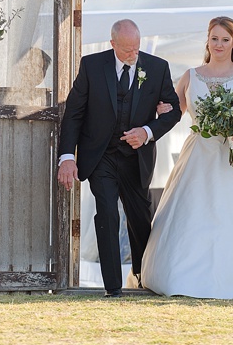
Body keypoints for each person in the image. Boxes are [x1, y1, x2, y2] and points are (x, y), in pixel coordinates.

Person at [141, 16, 233, 299]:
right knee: (192, 212)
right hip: (198, 157)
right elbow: (174, 113)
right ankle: (182, 277)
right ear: (207, 40)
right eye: (214, 38)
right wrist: (156, 109)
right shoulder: (191, 76)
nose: (219, 44)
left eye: (225, 40)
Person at [57, 19, 181, 297]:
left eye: (136, 48)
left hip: (137, 158)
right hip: (101, 156)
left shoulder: (157, 67)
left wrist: (148, 131)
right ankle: (112, 286)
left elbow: (174, 112)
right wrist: (67, 156)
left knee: (139, 218)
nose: (133, 54)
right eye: (126, 50)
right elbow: (74, 113)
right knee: (107, 213)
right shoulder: (91, 66)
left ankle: (142, 274)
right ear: (113, 44)